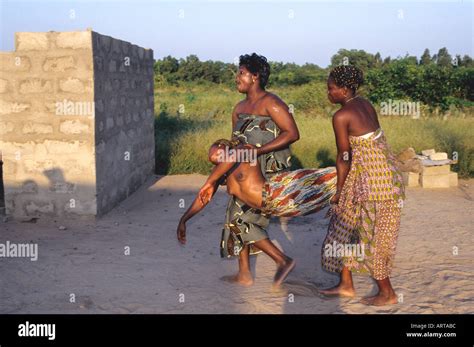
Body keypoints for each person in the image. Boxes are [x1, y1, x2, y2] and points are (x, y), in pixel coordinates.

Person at [195, 53, 300, 287]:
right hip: (241, 176)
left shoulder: (271, 102)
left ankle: (282, 260)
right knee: (233, 217)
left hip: (265, 175)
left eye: (241, 73)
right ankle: (244, 273)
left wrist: (260, 151)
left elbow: (292, 133)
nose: (237, 77)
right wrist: (223, 173)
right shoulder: (239, 108)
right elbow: (235, 148)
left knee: (242, 220)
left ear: (255, 77)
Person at [177, 139, 337, 287]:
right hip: (270, 206)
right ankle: (277, 263)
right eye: (213, 160)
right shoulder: (222, 174)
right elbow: (202, 198)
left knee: (328, 182)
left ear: (227, 148)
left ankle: (284, 262)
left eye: (218, 154)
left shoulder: (244, 151)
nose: (215, 160)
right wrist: (184, 220)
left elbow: (235, 154)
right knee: (239, 222)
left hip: (276, 193)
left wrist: (210, 181)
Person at [319, 65, 405, 306]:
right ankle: (346, 283)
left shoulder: (341, 116)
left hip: (377, 185)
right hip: (380, 178)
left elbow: (344, 156)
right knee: (347, 226)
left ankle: (387, 293)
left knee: (373, 237)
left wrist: (338, 192)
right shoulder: (365, 103)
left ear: (345, 89)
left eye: (331, 89)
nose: (328, 93)